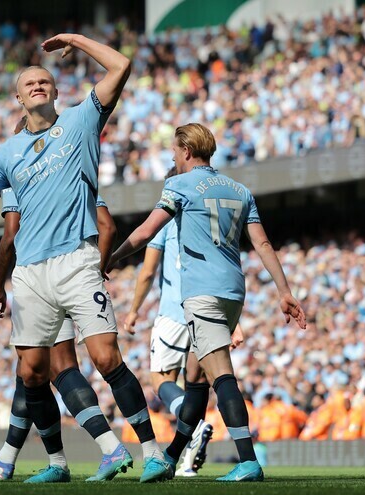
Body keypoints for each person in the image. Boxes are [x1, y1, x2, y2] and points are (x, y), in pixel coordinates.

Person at [0, 34, 170, 483]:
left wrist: (75, 40)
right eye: (29, 82)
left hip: (76, 259)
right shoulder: (6, 153)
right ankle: (69, 461)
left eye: (44, 80)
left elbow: (121, 66)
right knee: (33, 371)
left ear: (54, 91)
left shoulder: (80, 119)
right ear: (18, 96)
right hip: (30, 274)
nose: (37, 85)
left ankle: (153, 452)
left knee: (106, 358)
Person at [109, 123, 306, 482]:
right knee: (196, 377)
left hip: (202, 295)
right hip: (233, 291)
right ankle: (170, 458)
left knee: (221, 374)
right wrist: (284, 291)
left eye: (173, 149)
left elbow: (145, 232)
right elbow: (262, 244)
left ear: (186, 151)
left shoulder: (179, 184)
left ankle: (248, 460)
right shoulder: (240, 189)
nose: (171, 155)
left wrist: (111, 259)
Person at [0, 184, 131, 482]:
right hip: (74, 270)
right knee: (30, 370)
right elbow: (106, 225)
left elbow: (10, 234)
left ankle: (89, 453)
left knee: (51, 367)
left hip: (38, 276)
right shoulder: (68, 165)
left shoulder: (17, 171)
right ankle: (7, 457)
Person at [124, 167, 245, 477]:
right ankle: (185, 460)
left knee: (161, 380)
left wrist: (134, 310)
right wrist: (234, 322)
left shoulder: (167, 219)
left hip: (174, 312)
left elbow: (148, 271)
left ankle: (194, 431)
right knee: (197, 383)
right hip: (211, 306)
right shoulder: (206, 217)